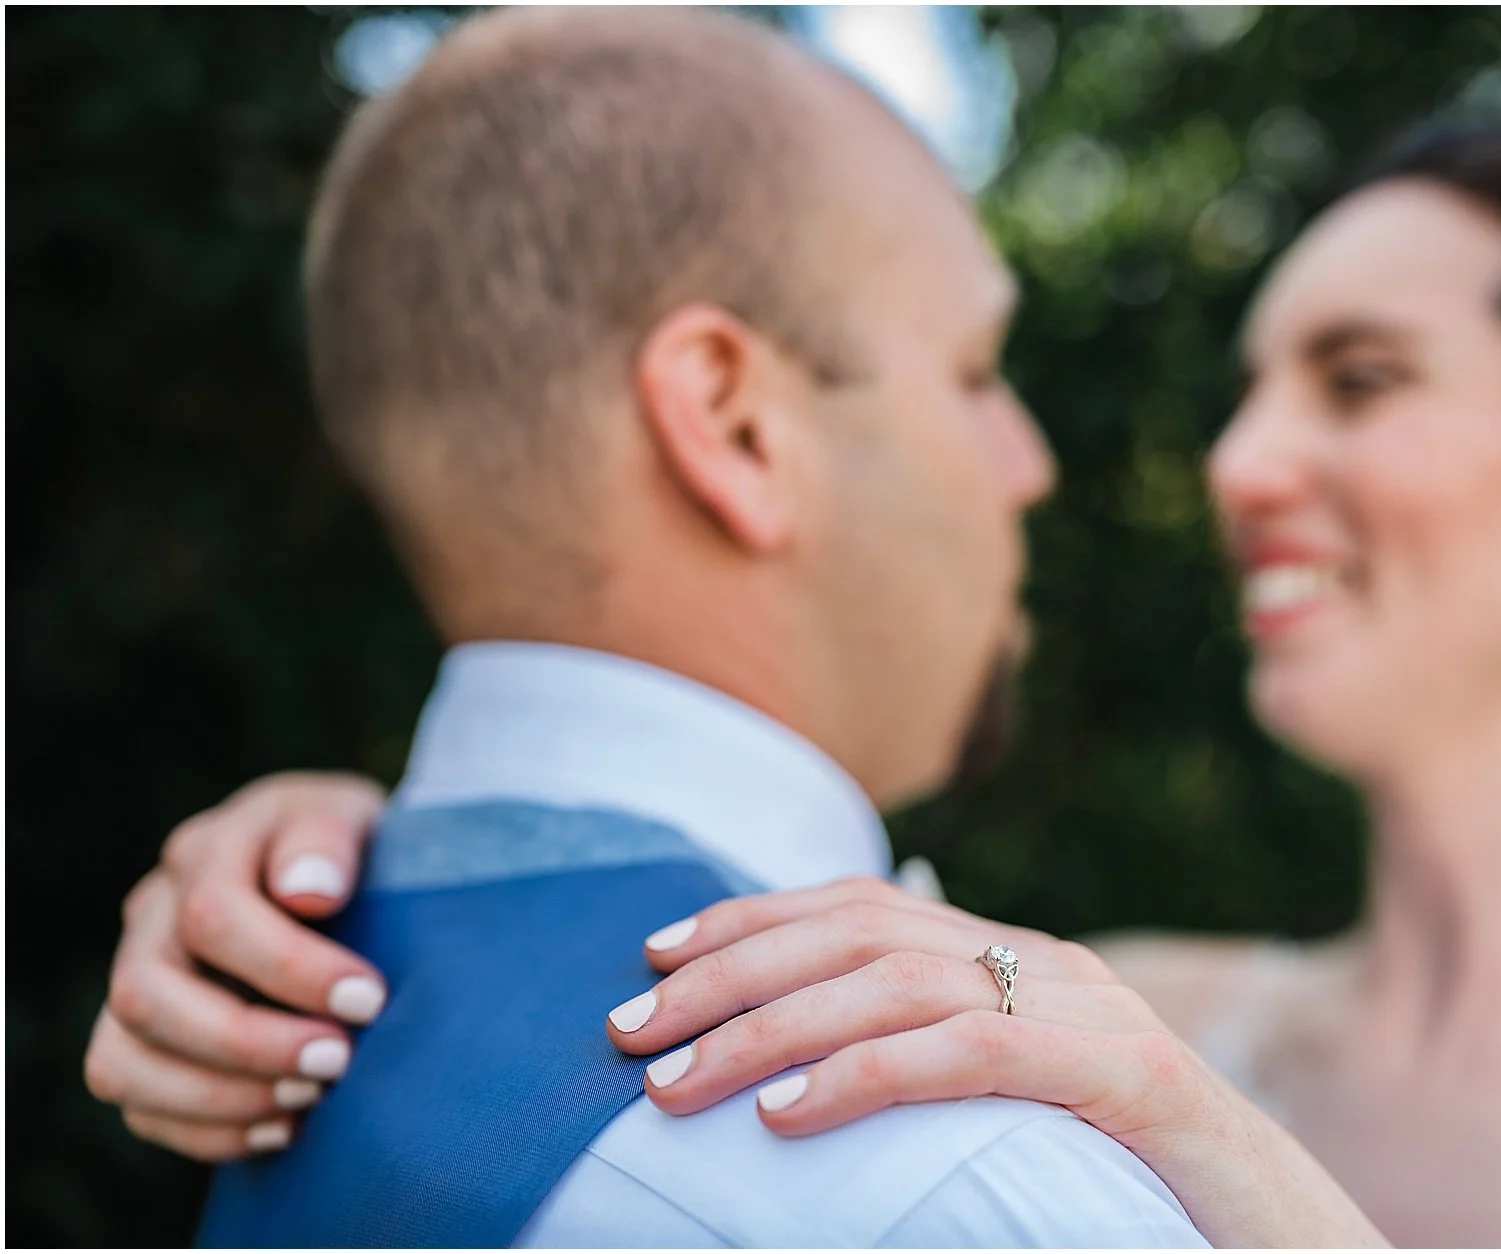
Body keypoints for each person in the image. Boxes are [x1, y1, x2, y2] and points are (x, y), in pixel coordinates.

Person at [86, 117, 1501, 1250]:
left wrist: (1222, 1153)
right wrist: (380, 851)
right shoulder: (1091, 1002)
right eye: (1245, 390)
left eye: (1357, 377)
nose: (1237, 463)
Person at [116, 6, 1225, 1247]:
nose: (1028, 466)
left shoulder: (289, 1013)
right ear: (734, 425)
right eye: (972, 371)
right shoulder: (951, 1173)